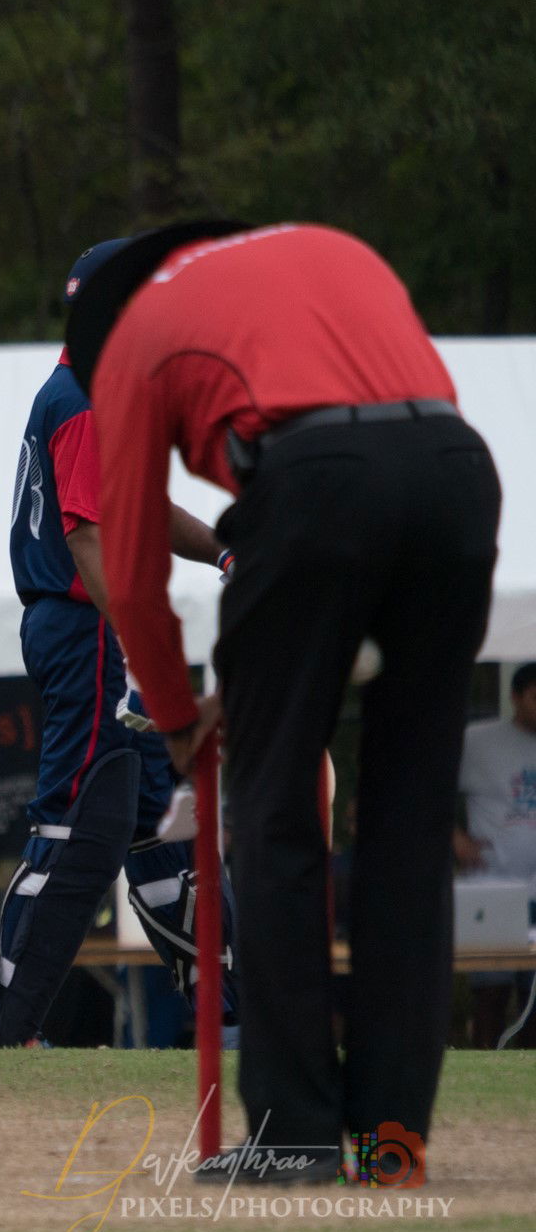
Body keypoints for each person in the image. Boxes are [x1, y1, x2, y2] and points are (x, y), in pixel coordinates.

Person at [70, 220, 500, 1182]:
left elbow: (133, 574)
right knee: (409, 826)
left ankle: (297, 1134)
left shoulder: (137, 337)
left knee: (273, 821)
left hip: (307, 488)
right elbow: (415, 430)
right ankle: (394, 1142)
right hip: (457, 478)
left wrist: (180, 721)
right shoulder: (332, 247)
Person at [0, 239, 238, 1049]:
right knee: (71, 822)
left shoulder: (86, 387)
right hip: (89, 626)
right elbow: (90, 537)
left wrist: (225, 549)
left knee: (166, 826)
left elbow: (142, 509)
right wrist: (141, 653)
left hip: (85, 623)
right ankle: (6, 1020)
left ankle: (227, 1015)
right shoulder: (90, 398)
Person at [456, 661, 536, 1047]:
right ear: (515, 697)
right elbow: (427, 792)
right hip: (492, 887)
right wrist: (455, 839)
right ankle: (483, 1060)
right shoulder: (479, 741)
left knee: (533, 998)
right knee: (491, 993)